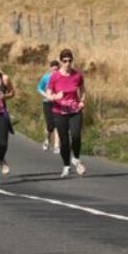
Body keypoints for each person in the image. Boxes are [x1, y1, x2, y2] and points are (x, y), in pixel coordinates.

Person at [45, 49, 87, 178]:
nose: (67, 63)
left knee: (76, 135)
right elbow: (48, 94)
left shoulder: (77, 75)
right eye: (65, 61)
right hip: (59, 111)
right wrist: (56, 96)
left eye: (69, 61)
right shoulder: (55, 76)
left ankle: (76, 158)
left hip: (74, 110)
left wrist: (82, 101)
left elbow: (83, 89)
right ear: (60, 61)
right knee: (64, 141)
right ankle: (66, 166)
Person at [36, 61, 60, 153]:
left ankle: (56, 145)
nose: (55, 72)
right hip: (47, 103)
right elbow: (39, 88)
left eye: (56, 70)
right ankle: (47, 139)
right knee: (50, 125)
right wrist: (46, 95)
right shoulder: (46, 77)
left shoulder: (61, 78)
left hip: (58, 103)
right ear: (50, 69)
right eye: (53, 70)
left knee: (58, 124)